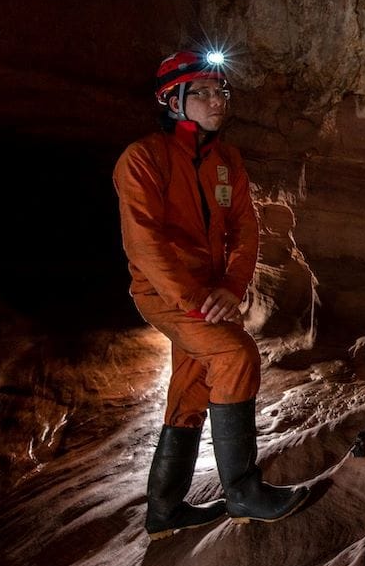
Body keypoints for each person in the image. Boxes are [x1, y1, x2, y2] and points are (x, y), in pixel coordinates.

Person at [113, 47, 311, 538]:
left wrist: (232, 286)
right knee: (234, 354)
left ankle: (165, 510)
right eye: (200, 92)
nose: (216, 99)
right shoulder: (143, 159)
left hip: (211, 290)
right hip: (165, 293)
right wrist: (195, 299)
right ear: (172, 101)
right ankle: (243, 492)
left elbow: (245, 228)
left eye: (220, 89)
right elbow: (144, 243)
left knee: (193, 384)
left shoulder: (227, 160)